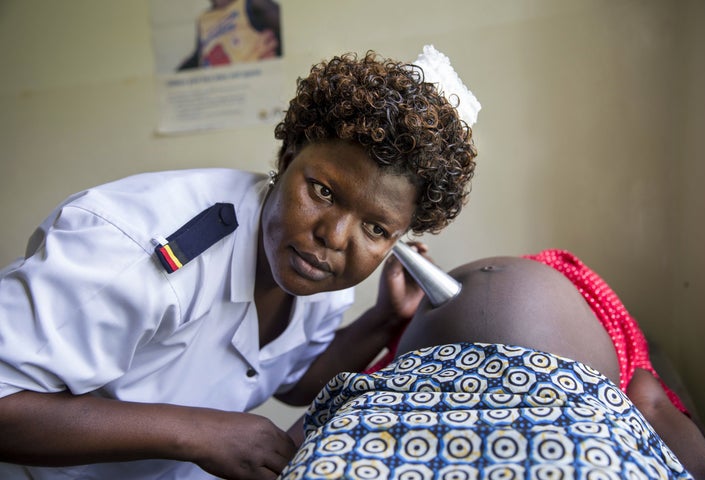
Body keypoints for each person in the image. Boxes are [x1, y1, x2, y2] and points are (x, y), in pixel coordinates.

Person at [0, 49, 478, 479]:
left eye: (376, 229)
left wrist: (384, 320)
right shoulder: (136, 246)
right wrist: (198, 433)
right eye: (324, 192)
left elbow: (291, 380)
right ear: (288, 156)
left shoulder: (320, 272)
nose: (333, 237)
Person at [281, 255, 705, 479]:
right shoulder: (396, 336)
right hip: (429, 390)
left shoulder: (616, 334)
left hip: (558, 398)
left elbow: (653, 403)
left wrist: (290, 447)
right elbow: (652, 404)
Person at [177, 0, 282, 71]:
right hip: (218, 87)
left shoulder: (252, 4)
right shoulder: (204, 18)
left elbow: (287, 27)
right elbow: (200, 55)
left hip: (250, 79)